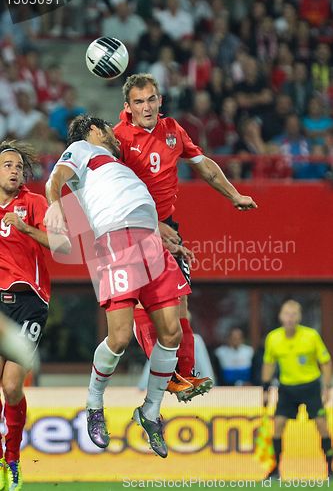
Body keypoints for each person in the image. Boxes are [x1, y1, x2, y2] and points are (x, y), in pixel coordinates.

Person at [44, 114, 192, 459]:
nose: (114, 134)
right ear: (95, 131)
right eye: (108, 128)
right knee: (120, 337)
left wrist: (161, 231)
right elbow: (57, 177)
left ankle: (150, 412)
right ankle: (94, 404)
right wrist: (55, 204)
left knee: (172, 333)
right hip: (116, 242)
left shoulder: (119, 166)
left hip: (150, 241)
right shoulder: (82, 149)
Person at [114, 73, 257, 402]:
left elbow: (203, 165)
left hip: (168, 226)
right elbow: (113, 191)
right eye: (139, 101)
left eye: (151, 99)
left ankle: (185, 375)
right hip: (131, 229)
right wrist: (150, 226)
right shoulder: (117, 138)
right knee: (141, 304)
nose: (147, 106)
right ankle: (166, 374)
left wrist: (233, 195)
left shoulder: (172, 130)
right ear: (128, 107)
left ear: (160, 100)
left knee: (181, 304)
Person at [0, 141, 70, 490]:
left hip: (28, 303)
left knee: (12, 386)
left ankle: (11, 459)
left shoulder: (35, 203)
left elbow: (64, 246)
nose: (14, 170)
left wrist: (26, 229)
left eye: (18, 166)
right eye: (7, 165)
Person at [262, 300, 333, 478]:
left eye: (294, 314)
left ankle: (330, 468)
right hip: (286, 388)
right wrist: (265, 388)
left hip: (310, 386)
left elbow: (325, 362)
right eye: (286, 314)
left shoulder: (311, 336)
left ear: (299, 317)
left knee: (322, 425)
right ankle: (276, 468)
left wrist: (325, 386)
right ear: (280, 317)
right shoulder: (273, 338)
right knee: (277, 425)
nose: (290, 318)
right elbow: (269, 364)